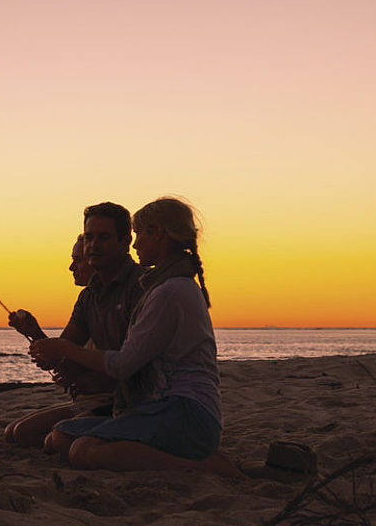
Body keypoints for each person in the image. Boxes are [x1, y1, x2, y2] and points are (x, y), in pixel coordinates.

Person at [31, 198, 241, 477]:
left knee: (83, 450)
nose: (135, 244)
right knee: (62, 439)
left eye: (139, 234)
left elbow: (122, 365)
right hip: (160, 409)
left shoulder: (169, 292)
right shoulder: (163, 287)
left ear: (158, 234)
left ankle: (204, 466)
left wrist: (65, 348)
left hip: (186, 413)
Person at [3, 203, 145, 446]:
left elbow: (134, 366)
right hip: (100, 399)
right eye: (89, 237)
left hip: (133, 400)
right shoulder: (89, 296)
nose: (94, 245)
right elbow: (61, 351)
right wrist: (33, 332)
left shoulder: (141, 286)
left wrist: (78, 371)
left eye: (103, 237)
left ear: (125, 242)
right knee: (16, 434)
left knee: (54, 441)